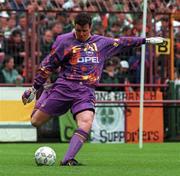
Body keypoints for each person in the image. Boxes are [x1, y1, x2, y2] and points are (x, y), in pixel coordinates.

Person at [22, 12, 164, 166]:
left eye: (84, 31)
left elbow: (123, 42)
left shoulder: (101, 43)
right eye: (78, 30)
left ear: (90, 28)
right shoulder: (63, 41)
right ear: (74, 27)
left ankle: (68, 159)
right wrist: (34, 89)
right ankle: (47, 92)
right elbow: (47, 66)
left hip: (86, 91)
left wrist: (146, 40)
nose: (81, 34)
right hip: (64, 87)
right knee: (35, 121)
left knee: (86, 122)